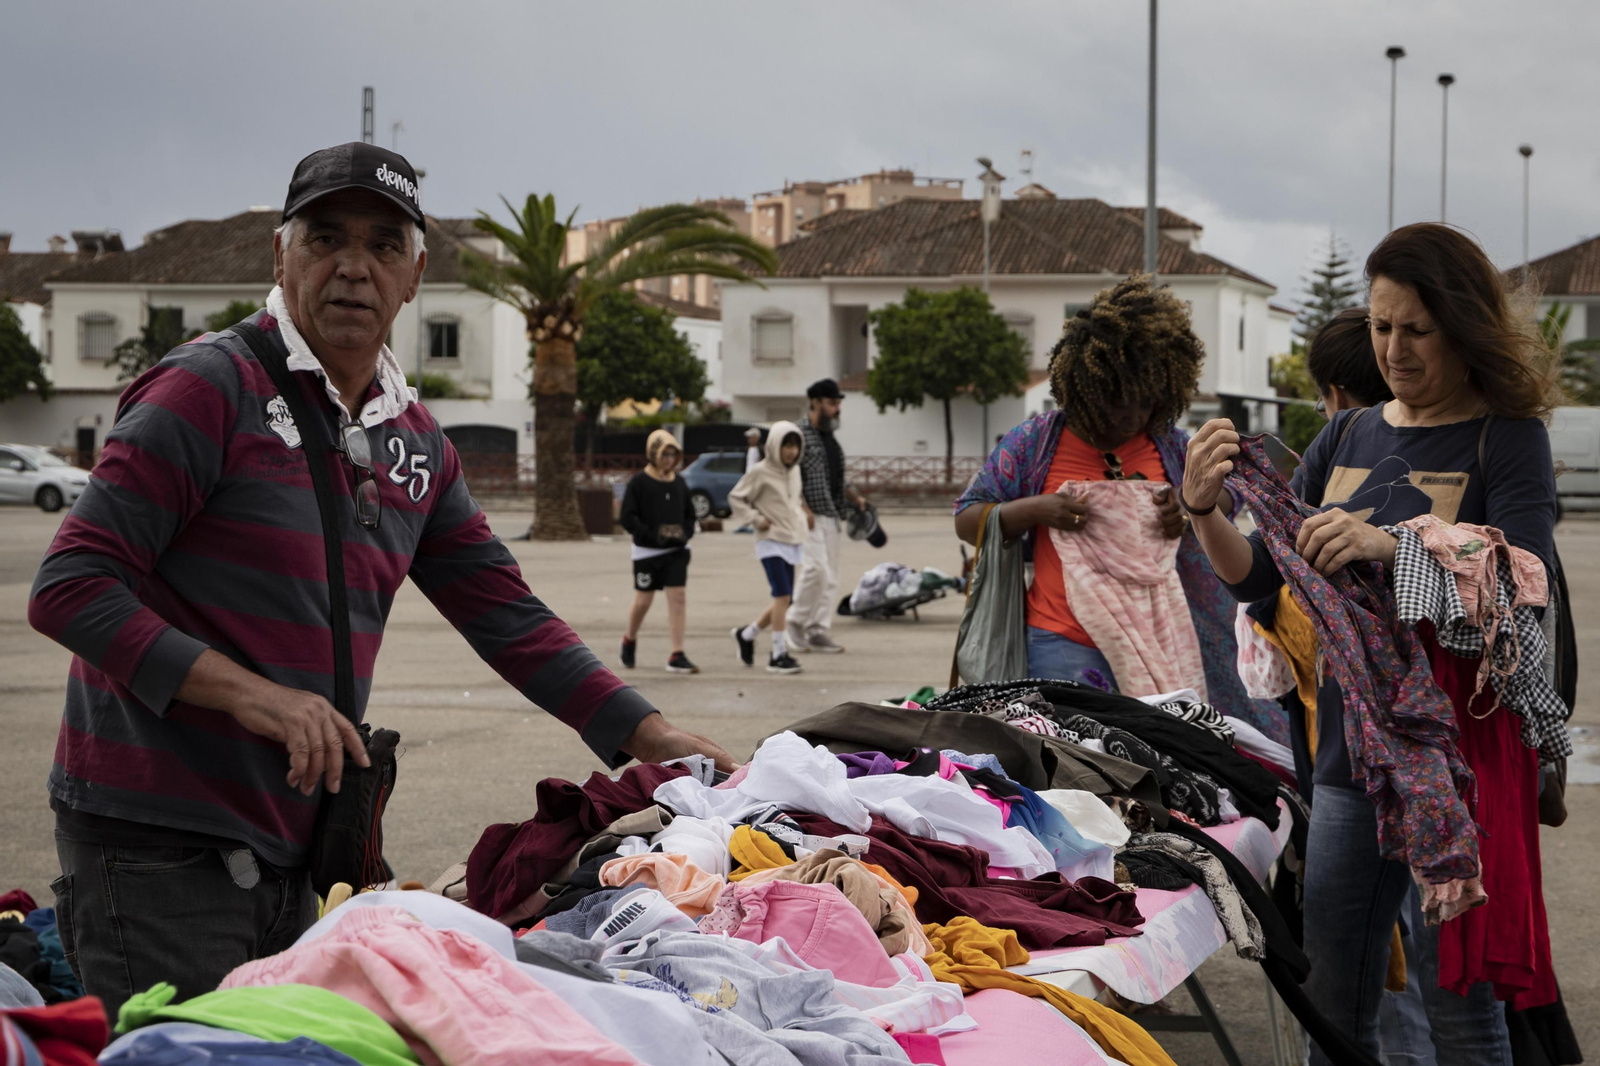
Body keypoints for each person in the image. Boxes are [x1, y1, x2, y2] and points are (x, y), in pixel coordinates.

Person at [25, 142, 732, 1015]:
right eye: (325, 239)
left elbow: (503, 609)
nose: (353, 268)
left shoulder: (414, 443)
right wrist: (255, 696)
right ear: (278, 258)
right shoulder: (208, 390)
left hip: (305, 839)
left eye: (383, 246)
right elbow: (71, 585)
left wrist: (648, 735)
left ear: (414, 275)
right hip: (158, 843)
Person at [1184, 223, 1560, 1064]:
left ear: (1461, 326)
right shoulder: (1348, 437)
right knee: (1335, 1003)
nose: (1394, 349)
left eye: (1416, 329)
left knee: (1461, 1013)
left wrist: (1394, 546)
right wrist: (1204, 511)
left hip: (1457, 767)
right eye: (1382, 326)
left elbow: (1525, 580)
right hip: (1350, 758)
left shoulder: (1507, 438)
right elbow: (1265, 587)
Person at [953, 275, 1288, 740]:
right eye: (1115, 402)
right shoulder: (1035, 443)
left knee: (1161, 760)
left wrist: (1190, 510)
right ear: (1083, 387)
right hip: (1060, 638)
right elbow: (968, 518)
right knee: (1079, 761)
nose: (1130, 417)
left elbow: (1226, 495)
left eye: (1145, 403)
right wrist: (1036, 509)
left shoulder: (1168, 445)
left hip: (1159, 640)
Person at [788, 378, 868, 654]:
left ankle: (817, 630)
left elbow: (839, 480)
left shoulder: (831, 441)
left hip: (832, 515)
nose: (837, 409)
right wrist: (802, 507)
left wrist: (856, 498)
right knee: (815, 569)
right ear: (817, 402)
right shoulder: (798, 434)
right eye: (833, 403)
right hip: (808, 516)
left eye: (838, 404)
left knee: (831, 577)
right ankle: (794, 623)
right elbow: (787, 474)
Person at [727, 421, 810, 674]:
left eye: (795, 445)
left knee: (786, 599)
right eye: (786, 445)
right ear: (774, 445)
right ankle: (778, 654)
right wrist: (756, 519)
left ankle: (748, 634)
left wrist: (804, 512)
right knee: (782, 596)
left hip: (792, 538)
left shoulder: (794, 471)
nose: (791, 451)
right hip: (769, 540)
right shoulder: (759, 472)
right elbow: (736, 497)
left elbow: (794, 498)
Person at [618, 429, 699, 674]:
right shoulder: (639, 483)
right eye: (664, 454)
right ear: (654, 454)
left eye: (673, 454)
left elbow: (689, 515)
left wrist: (684, 534)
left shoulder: (679, 482)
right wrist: (652, 536)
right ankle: (629, 639)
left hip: (676, 552)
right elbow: (627, 518)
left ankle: (677, 653)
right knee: (643, 601)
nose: (668, 459)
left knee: (678, 596)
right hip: (647, 554)